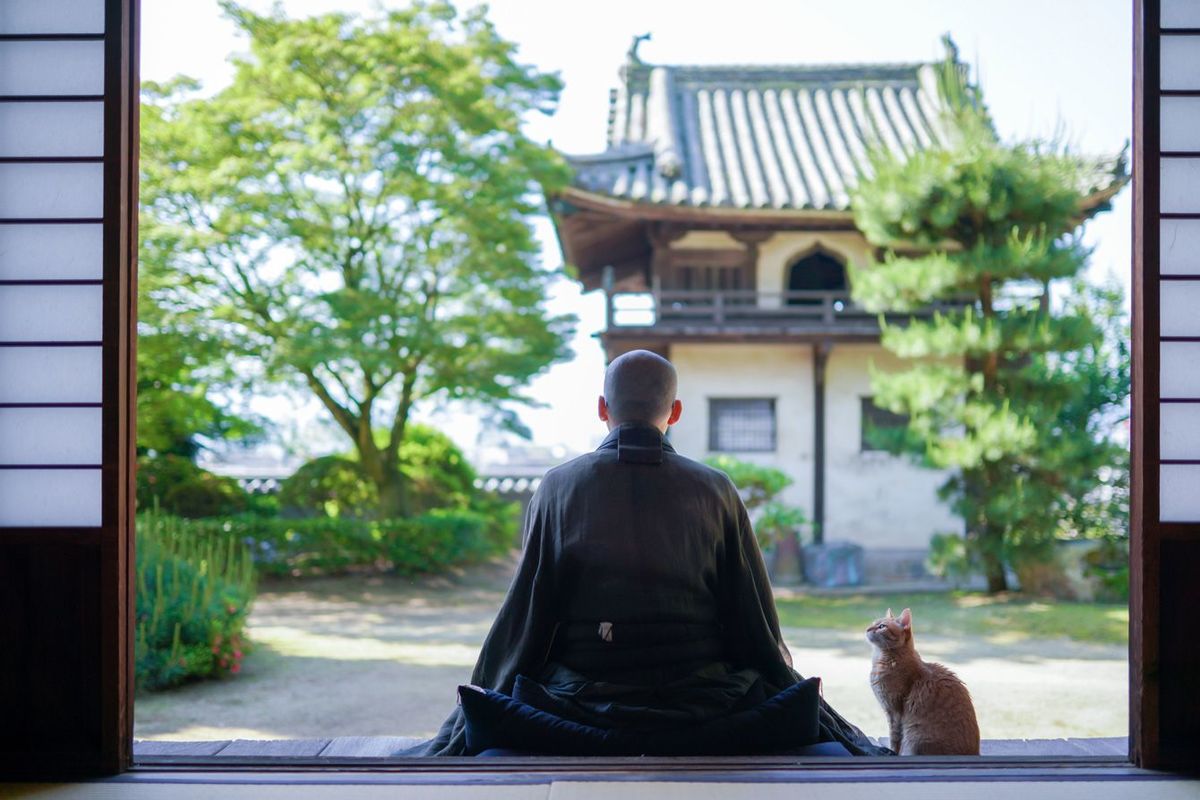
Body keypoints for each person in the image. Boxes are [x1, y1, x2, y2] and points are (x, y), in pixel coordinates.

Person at [412, 349, 887, 756]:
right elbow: (752, 621)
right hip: (705, 705)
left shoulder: (559, 487)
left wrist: (485, 695)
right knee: (783, 702)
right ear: (675, 411)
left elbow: (527, 619)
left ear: (602, 408)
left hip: (580, 706)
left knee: (506, 704)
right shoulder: (715, 489)